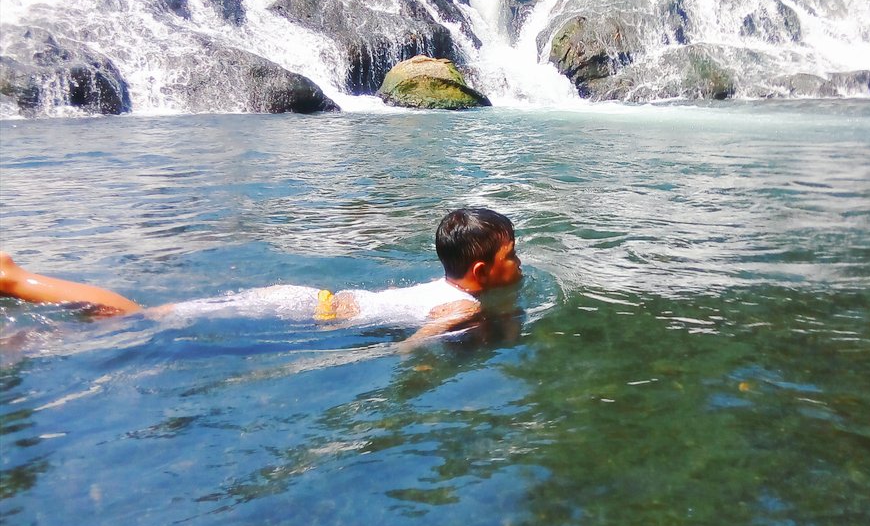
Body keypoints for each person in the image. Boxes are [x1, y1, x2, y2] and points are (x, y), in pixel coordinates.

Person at [0, 207, 522, 341]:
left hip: (307, 300)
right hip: (300, 309)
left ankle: (21, 287)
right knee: (140, 320)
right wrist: (417, 366)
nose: (519, 264)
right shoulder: (463, 306)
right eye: (512, 257)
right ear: (481, 271)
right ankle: (17, 280)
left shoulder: (448, 289)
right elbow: (420, 341)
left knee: (148, 318)